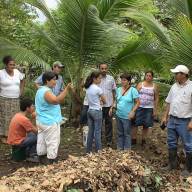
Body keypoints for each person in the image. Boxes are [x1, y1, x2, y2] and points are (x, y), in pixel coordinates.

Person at [161, 65, 192, 176]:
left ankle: (188, 169)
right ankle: (172, 164)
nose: (175, 75)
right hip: (172, 120)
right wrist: (165, 117)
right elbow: (169, 102)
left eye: (176, 73)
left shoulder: (191, 87)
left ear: (183, 75)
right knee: (171, 142)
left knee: (188, 144)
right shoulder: (174, 86)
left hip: (185, 121)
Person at [35, 71, 72, 164]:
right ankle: (52, 162)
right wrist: (66, 89)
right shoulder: (46, 91)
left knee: (42, 140)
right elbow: (55, 101)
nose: (55, 82)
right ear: (47, 81)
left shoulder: (40, 90)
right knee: (53, 141)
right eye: (54, 80)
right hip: (49, 121)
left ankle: (41, 158)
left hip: (42, 120)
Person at [109, 73, 140, 150]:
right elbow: (116, 101)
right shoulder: (118, 89)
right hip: (118, 114)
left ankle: (127, 150)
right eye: (122, 80)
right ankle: (119, 148)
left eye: (124, 80)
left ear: (129, 81)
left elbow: (138, 102)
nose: (122, 81)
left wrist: (133, 111)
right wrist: (111, 107)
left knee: (127, 134)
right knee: (119, 133)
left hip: (127, 116)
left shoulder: (133, 90)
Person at [0, 56, 25, 143]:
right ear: (6, 65)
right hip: (4, 99)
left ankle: (13, 134)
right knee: (4, 117)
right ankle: (3, 135)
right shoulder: (1, 73)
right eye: (10, 64)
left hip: (15, 99)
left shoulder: (17, 72)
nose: (13, 66)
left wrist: (21, 91)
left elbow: (22, 80)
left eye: (14, 64)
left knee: (14, 117)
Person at [132, 71, 159, 146]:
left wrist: (155, 109)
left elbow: (156, 98)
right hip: (139, 106)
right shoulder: (140, 84)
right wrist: (133, 107)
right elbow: (135, 95)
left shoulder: (155, 86)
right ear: (145, 76)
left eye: (150, 76)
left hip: (149, 108)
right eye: (147, 75)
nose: (148, 77)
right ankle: (133, 139)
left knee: (146, 124)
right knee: (135, 123)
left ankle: (143, 140)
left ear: (152, 77)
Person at [7, 98, 38, 162]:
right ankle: (33, 155)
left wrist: (32, 119)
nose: (34, 107)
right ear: (27, 108)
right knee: (37, 137)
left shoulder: (17, 115)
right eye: (32, 106)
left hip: (13, 140)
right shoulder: (24, 119)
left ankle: (28, 152)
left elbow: (30, 129)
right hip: (17, 141)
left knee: (31, 134)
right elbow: (36, 131)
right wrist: (36, 118)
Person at [85, 71, 106, 153]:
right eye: (99, 78)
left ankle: (88, 150)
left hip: (89, 110)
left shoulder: (88, 87)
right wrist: (101, 101)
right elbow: (105, 100)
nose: (100, 80)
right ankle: (99, 151)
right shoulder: (98, 89)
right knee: (97, 132)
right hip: (97, 111)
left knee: (91, 131)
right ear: (94, 79)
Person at [98, 63, 116, 146]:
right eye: (102, 68)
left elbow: (113, 91)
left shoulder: (111, 78)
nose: (104, 70)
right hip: (99, 105)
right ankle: (99, 140)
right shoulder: (96, 79)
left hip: (109, 105)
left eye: (105, 68)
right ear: (99, 69)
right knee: (99, 123)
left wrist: (113, 103)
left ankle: (109, 140)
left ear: (107, 69)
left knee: (109, 123)